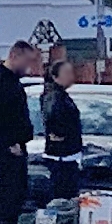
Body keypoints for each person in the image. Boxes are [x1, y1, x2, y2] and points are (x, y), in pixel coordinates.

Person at [0, 41, 38, 224]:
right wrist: (10, 142)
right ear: (15, 56)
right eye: (26, 62)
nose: (28, 68)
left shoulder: (12, 80)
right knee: (6, 190)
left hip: (18, 143)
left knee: (18, 190)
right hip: (9, 144)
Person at [41, 60, 82, 200]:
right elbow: (51, 115)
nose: (71, 76)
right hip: (61, 157)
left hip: (67, 155)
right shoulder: (54, 95)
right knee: (62, 195)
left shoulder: (61, 94)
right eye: (67, 73)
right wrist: (59, 134)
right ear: (55, 76)